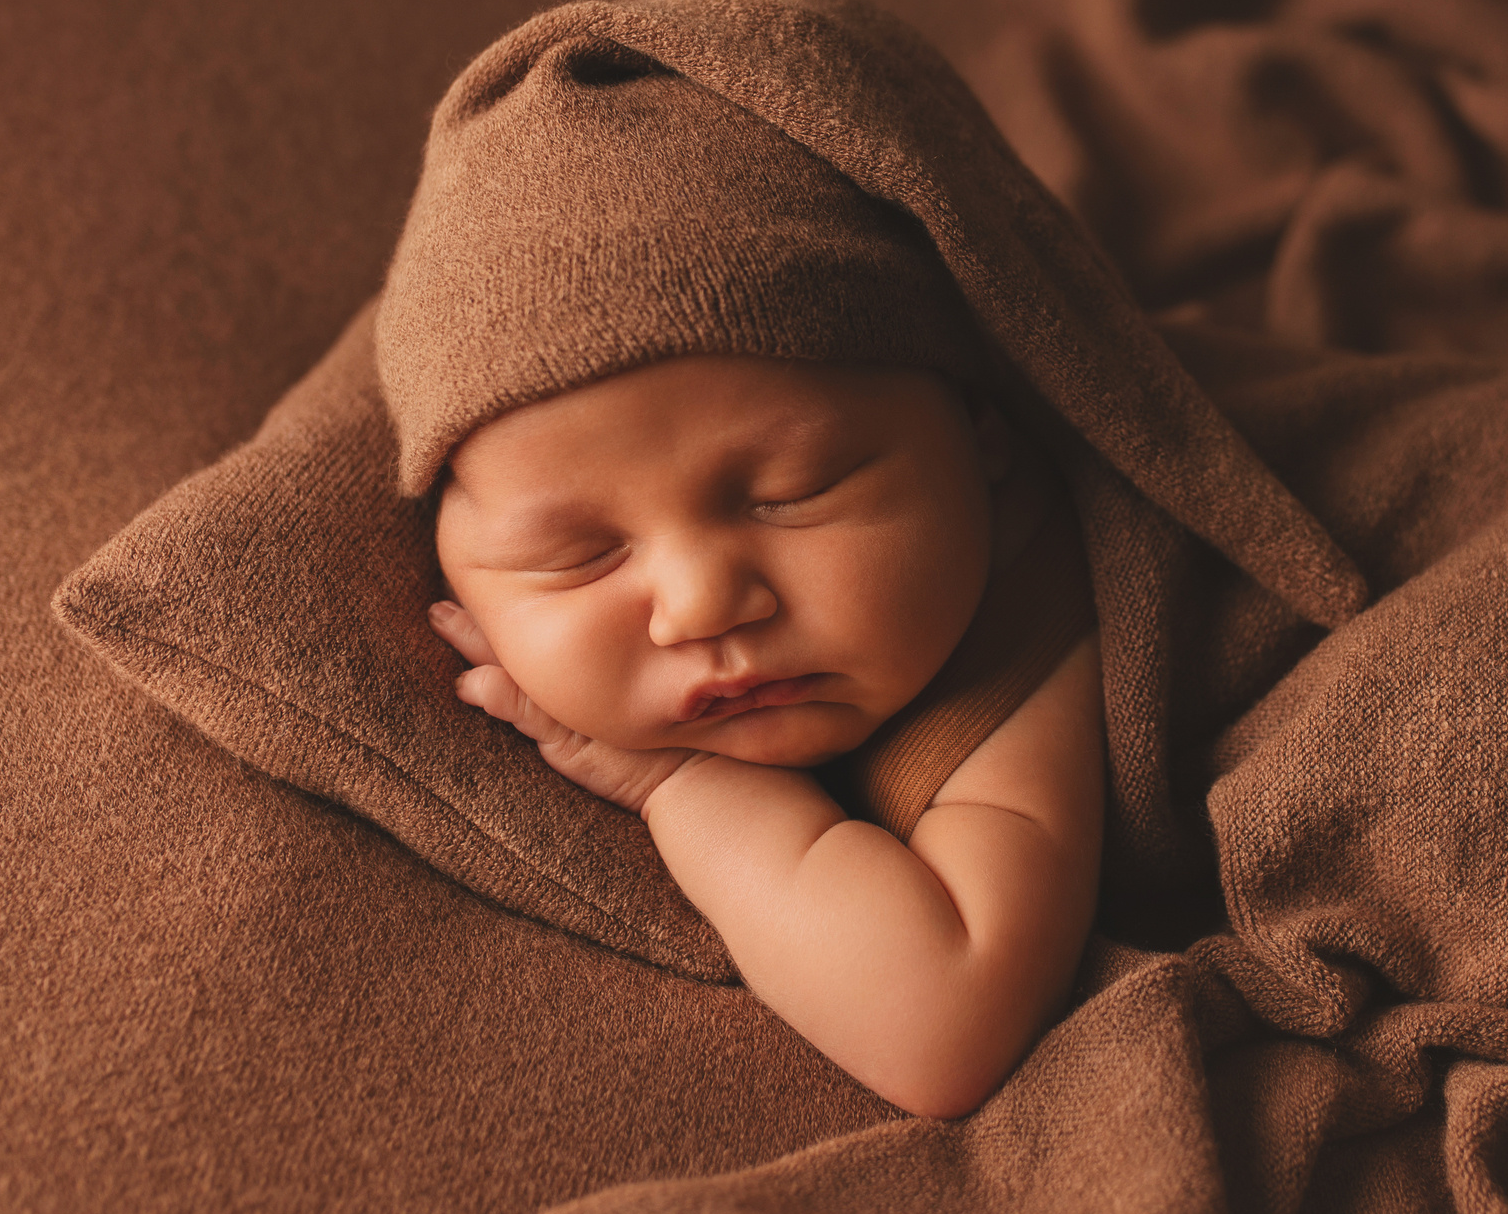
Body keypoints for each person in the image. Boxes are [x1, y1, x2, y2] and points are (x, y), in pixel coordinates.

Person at [422, 356, 1102, 1121]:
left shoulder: (1022, 609)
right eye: (578, 559)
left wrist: (681, 783)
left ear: (983, 432)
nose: (702, 605)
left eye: (793, 495)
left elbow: (945, 1022)